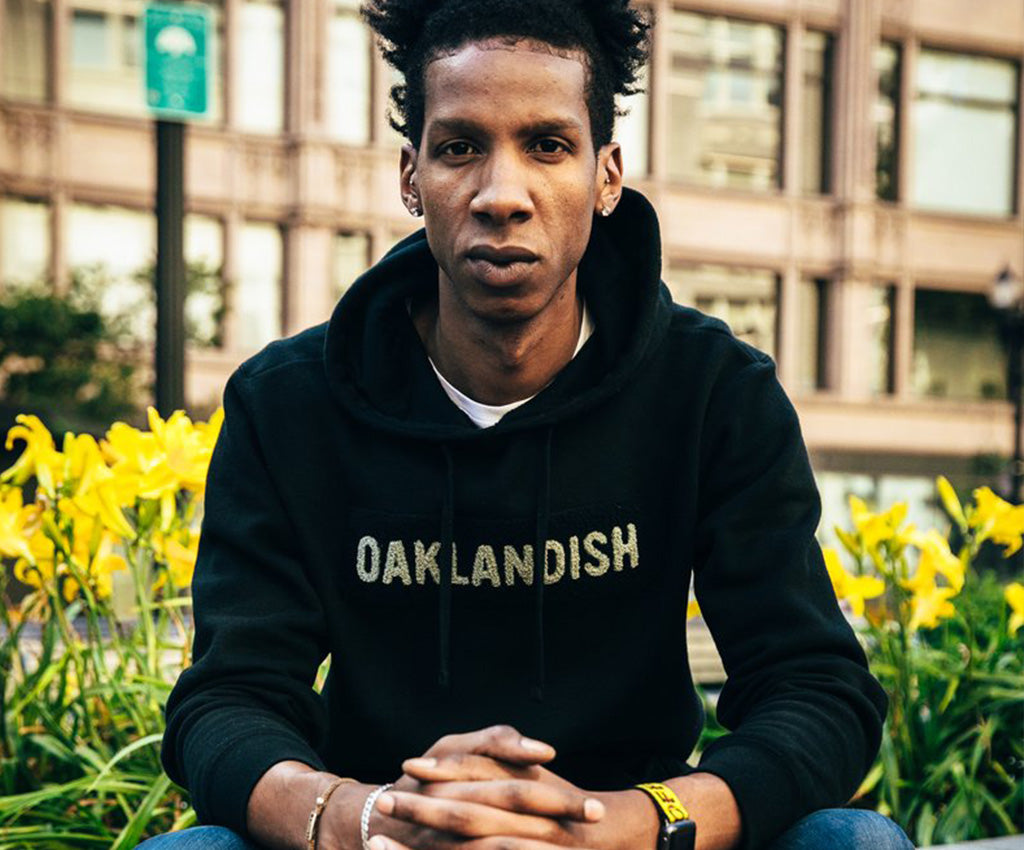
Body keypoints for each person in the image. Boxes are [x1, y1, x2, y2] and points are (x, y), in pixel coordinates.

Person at [139, 2, 914, 849]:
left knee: (853, 841)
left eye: (547, 145)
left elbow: (816, 687)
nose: (501, 195)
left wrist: (634, 822)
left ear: (606, 176)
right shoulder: (288, 404)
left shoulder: (713, 391)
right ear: (411, 177)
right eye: (460, 146)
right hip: (383, 836)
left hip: (629, 837)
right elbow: (228, 697)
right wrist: (361, 819)